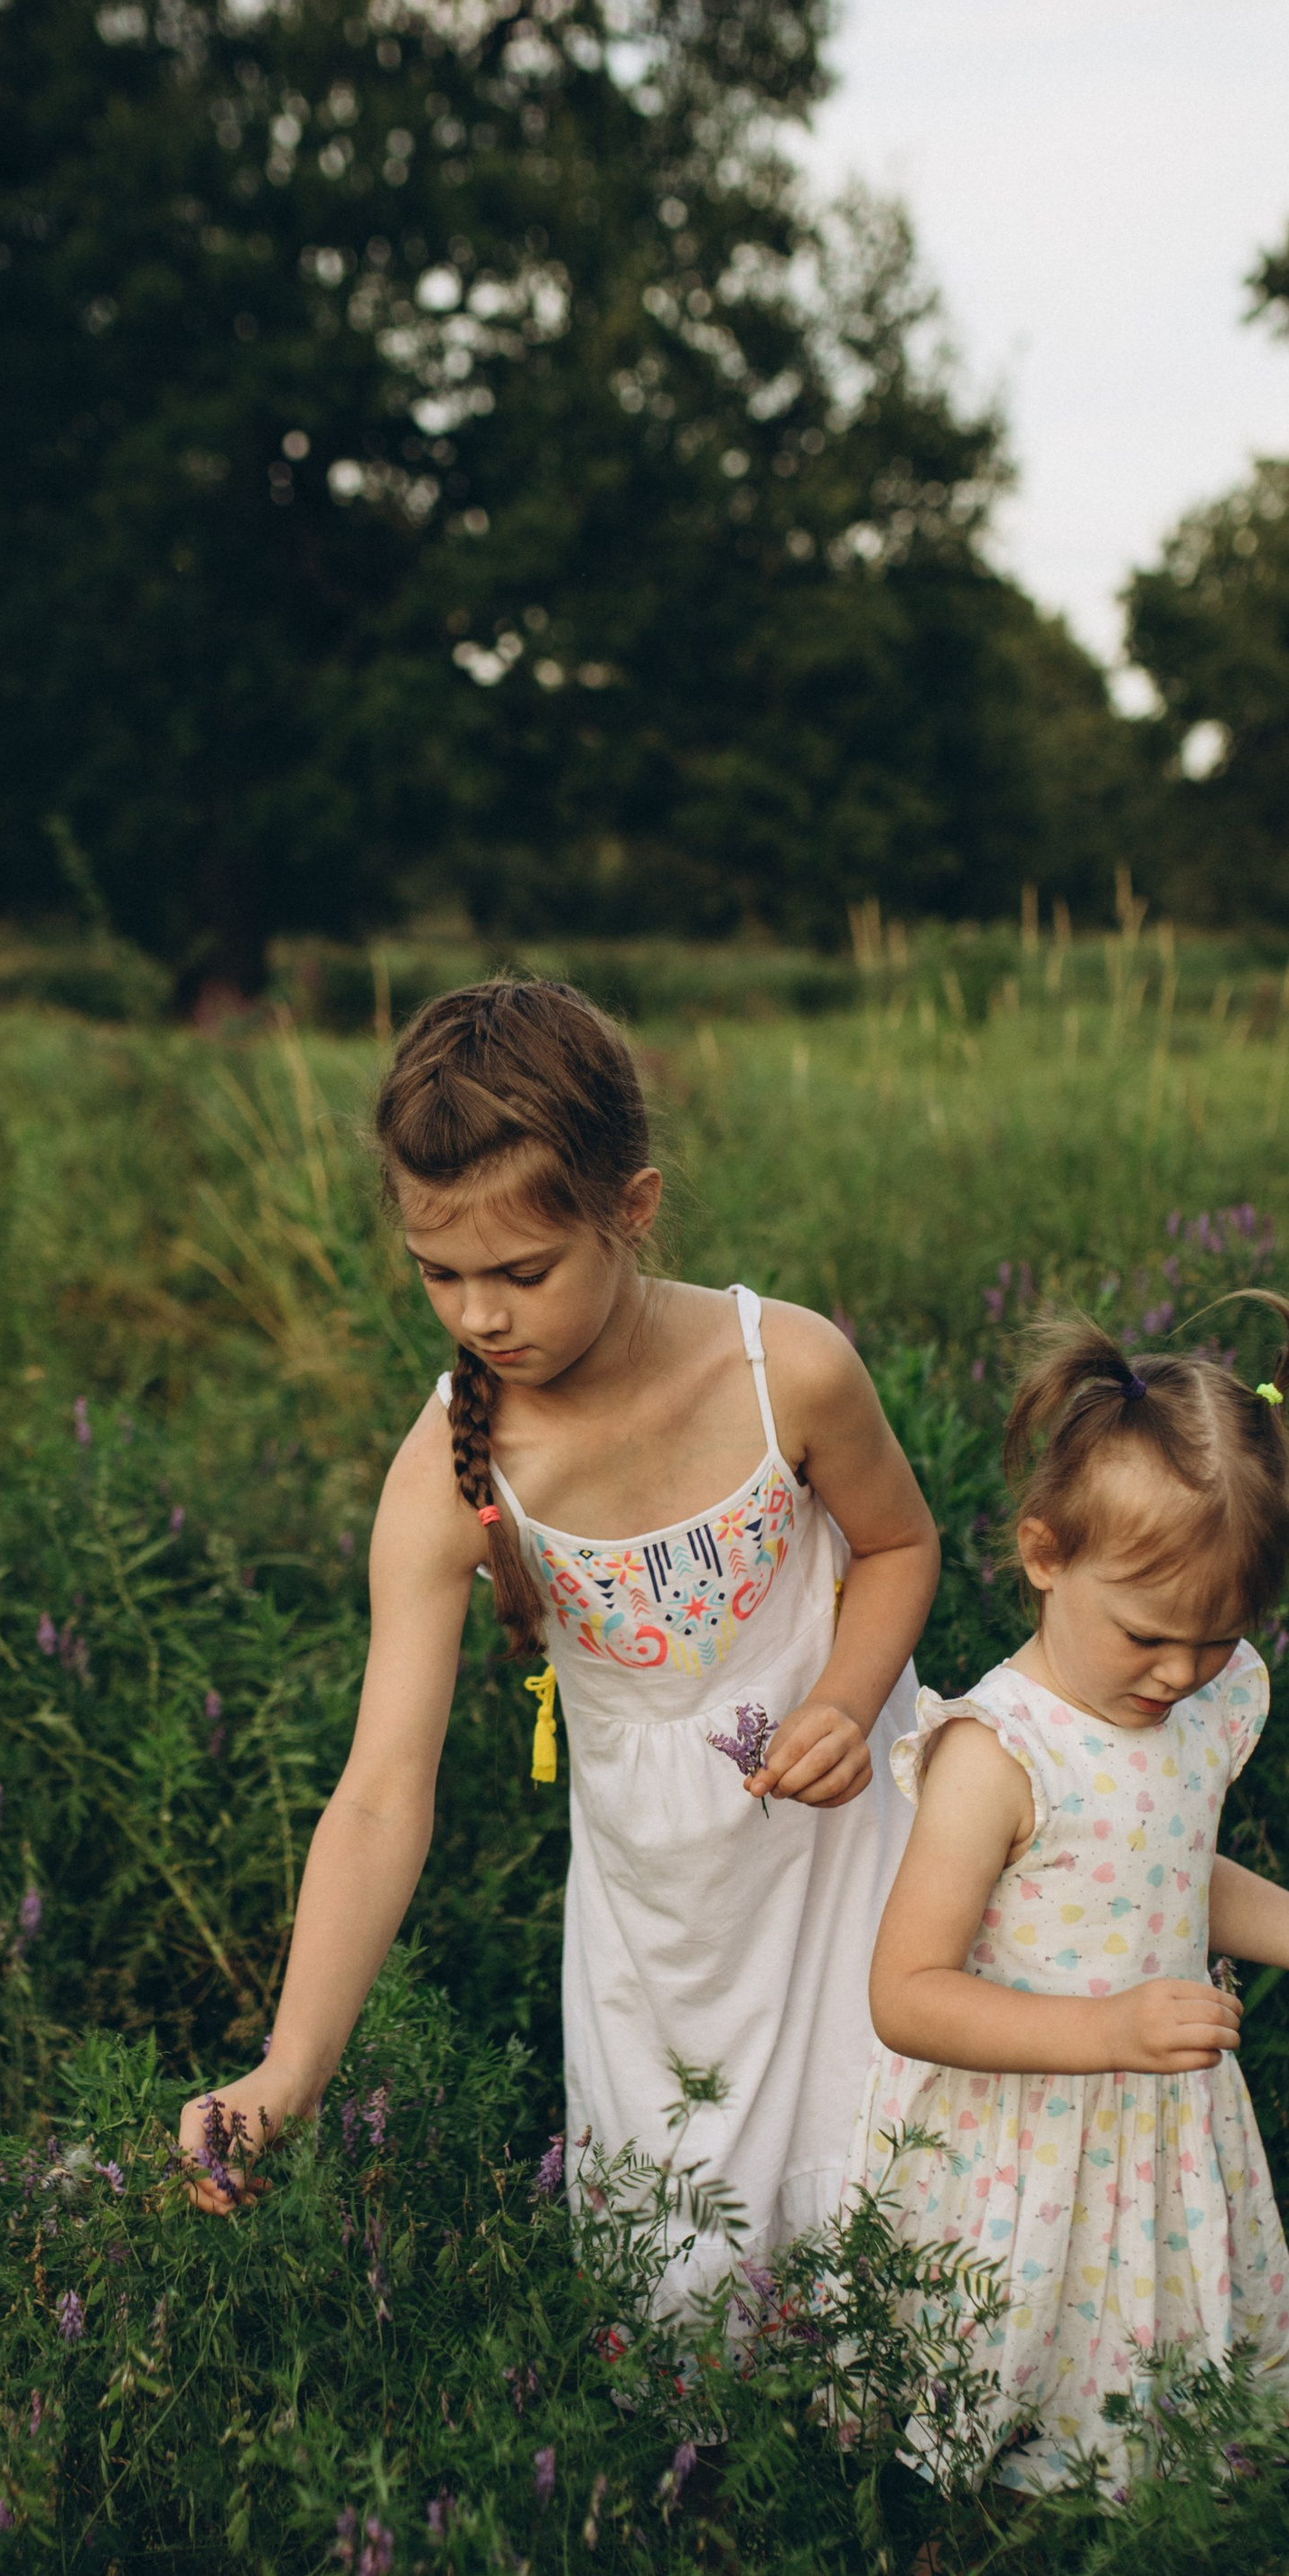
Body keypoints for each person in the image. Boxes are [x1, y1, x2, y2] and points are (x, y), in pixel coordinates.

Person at [179, 975, 940, 2304]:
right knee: (688, 2264)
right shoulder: (448, 1475)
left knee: (900, 2216)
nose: (479, 1315)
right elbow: (380, 1794)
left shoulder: (789, 1370)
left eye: (523, 1273)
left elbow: (899, 1545)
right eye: (439, 1274)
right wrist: (290, 2069)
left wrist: (845, 1697)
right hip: (662, 1927)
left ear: (630, 1210)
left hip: (855, 1863)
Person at [857, 1293, 1289, 2489]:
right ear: (1045, 1556)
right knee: (1016, 2308)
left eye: (1218, 1639)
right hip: (1022, 2120)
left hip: (1148, 2104)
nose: (1182, 1673)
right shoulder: (998, 1754)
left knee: (1131, 2294)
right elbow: (906, 1994)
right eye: (1147, 1636)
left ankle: (1135, 2464)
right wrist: (1104, 2032)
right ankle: (986, 2495)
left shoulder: (1195, 1707)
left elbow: (1171, 1872)